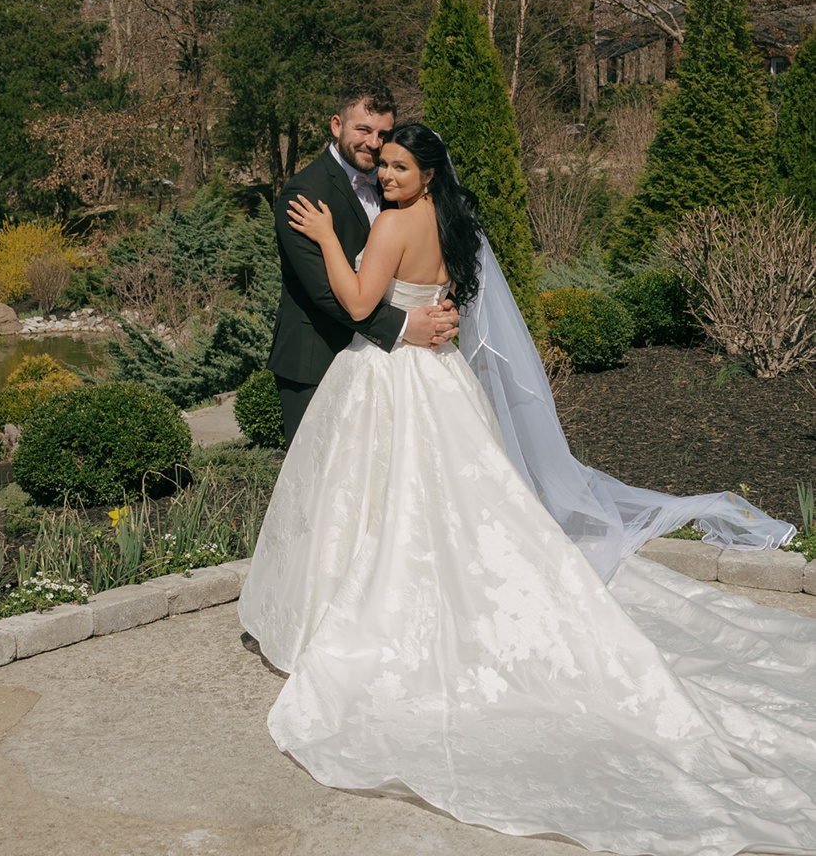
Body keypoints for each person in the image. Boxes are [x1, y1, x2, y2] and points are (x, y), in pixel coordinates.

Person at [239, 122, 816, 856]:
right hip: (441, 377)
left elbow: (356, 304)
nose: (386, 176)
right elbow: (443, 297)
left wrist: (327, 236)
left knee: (385, 495)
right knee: (451, 499)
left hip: (389, 379)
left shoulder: (391, 224)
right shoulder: (452, 221)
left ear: (427, 172)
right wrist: (423, 315)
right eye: (383, 165)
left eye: (400, 166)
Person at [268, 81, 458, 444]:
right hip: (318, 359)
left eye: (383, 134)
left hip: (388, 365)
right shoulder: (304, 194)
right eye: (363, 130)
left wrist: (444, 308)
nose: (373, 142)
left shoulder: (395, 184)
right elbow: (325, 293)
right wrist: (406, 325)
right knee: (321, 471)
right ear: (337, 125)